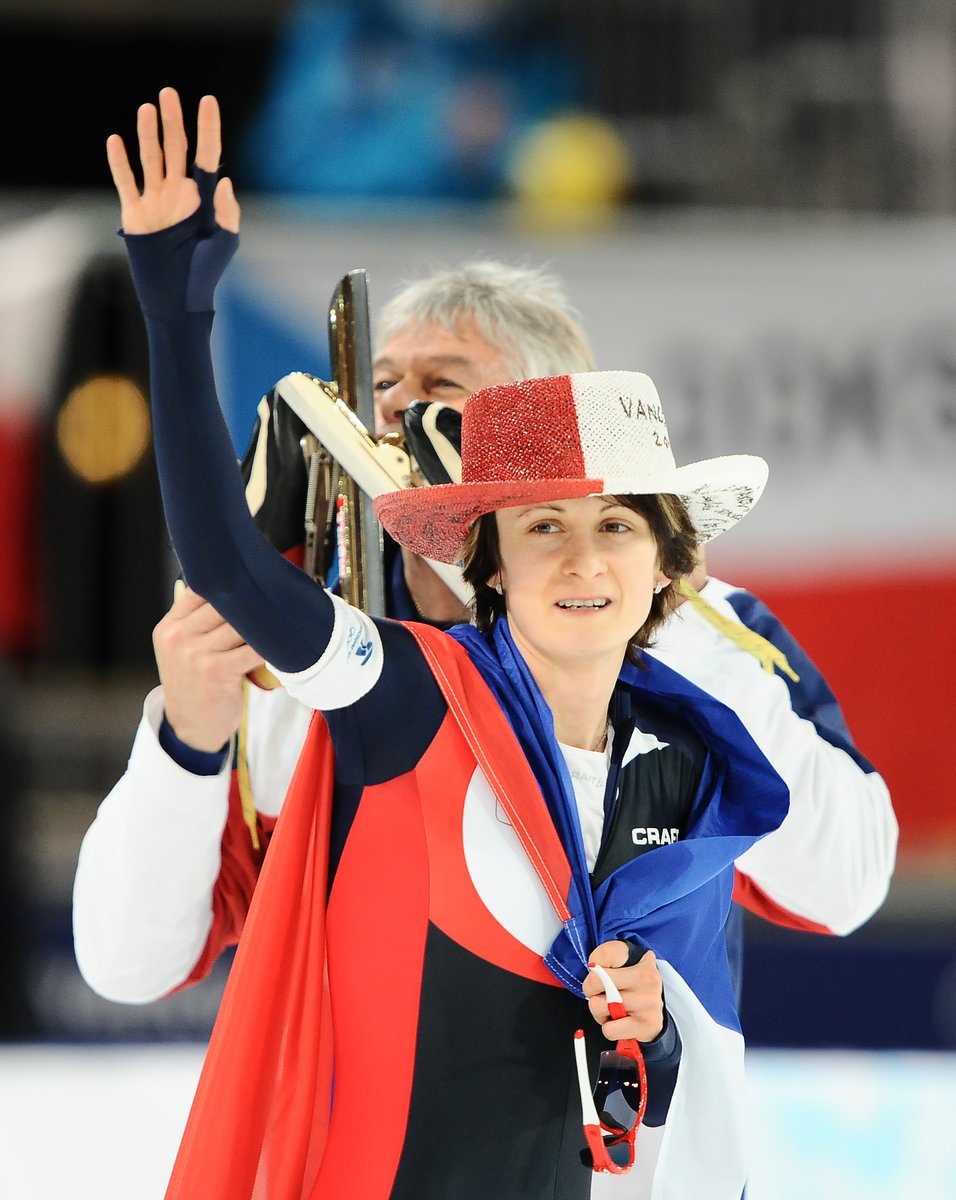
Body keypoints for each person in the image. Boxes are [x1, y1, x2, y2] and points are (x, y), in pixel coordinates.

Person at [86, 88, 794, 1198]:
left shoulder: (696, 738)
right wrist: (177, 313)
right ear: (492, 552)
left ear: (662, 558)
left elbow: (666, 1082)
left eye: (613, 525)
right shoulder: (385, 679)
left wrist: (645, 1038)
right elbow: (127, 962)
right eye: (541, 525)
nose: (578, 558)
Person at [72, 167, 896, 1013]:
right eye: (381, 388)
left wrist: (647, 621)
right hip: (383, 1129)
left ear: (562, 434)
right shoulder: (289, 663)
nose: (392, 417)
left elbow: (845, 886)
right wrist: (185, 741)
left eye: (443, 388)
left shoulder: (711, 630)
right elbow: (126, 964)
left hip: (638, 1124)